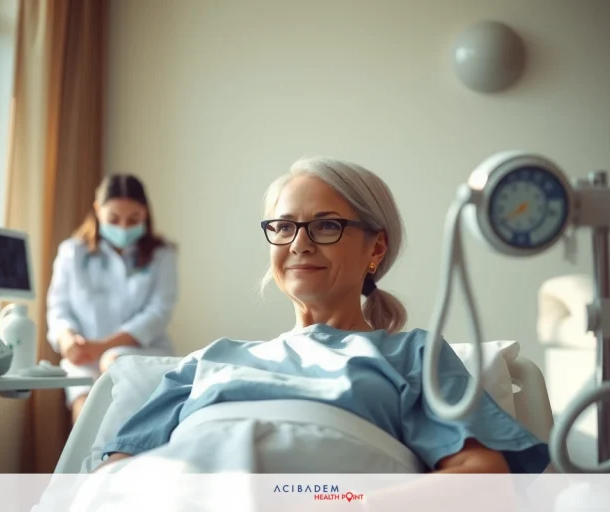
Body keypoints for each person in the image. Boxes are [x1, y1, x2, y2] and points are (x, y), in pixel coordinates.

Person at [98, 157, 550, 474]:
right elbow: (114, 476)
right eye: (283, 226)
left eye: (326, 225)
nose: (299, 243)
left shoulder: (413, 357)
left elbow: (481, 474)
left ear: (376, 247)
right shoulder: (206, 362)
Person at [46, 174, 178, 423]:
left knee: (115, 363)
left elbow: (158, 313)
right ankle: (90, 461)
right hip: (84, 356)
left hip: (143, 350)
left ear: (145, 214)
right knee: (86, 415)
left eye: (133, 219)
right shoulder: (72, 252)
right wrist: (67, 340)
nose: (124, 228)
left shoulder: (162, 254)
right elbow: (58, 308)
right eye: (114, 219)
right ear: (97, 211)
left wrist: (103, 346)